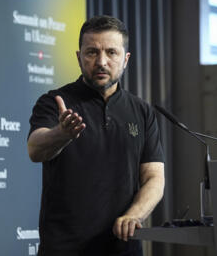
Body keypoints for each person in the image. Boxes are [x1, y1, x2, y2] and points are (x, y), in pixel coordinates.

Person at [27, 15, 165, 256]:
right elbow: (35, 149)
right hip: (64, 249)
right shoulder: (55, 102)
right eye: (92, 52)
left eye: (111, 52)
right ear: (79, 57)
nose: (101, 61)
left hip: (124, 249)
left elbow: (154, 178)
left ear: (125, 59)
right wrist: (61, 134)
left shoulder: (142, 111)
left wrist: (134, 215)